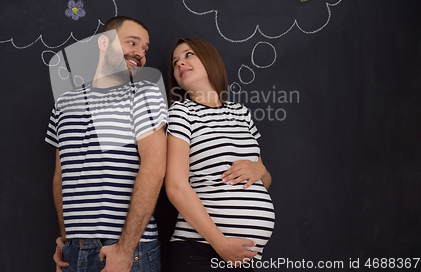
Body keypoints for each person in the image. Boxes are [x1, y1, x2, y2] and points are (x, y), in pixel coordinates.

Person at [45, 16, 168, 272]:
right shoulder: (64, 102)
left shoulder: (145, 93)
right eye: (132, 43)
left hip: (126, 251)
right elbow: (61, 175)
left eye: (144, 49)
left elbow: (155, 169)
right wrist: (67, 238)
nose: (140, 54)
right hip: (73, 251)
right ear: (104, 43)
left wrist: (125, 249)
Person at [165, 37, 275, 271]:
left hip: (245, 257)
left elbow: (264, 181)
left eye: (188, 55)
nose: (180, 63)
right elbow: (175, 187)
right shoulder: (181, 113)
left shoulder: (241, 113)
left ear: (209, 59)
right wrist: (220, 243)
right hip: (201, 251)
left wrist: (260, 169)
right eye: (175, 62)